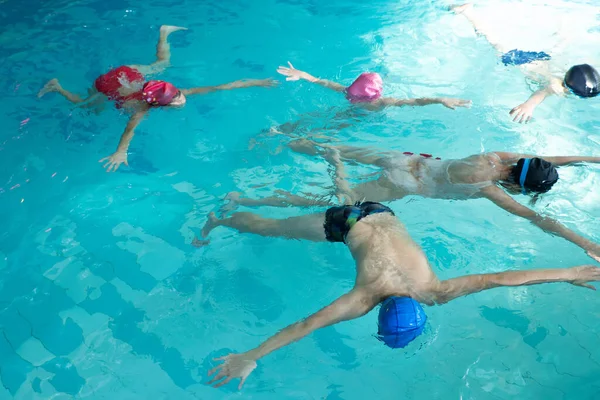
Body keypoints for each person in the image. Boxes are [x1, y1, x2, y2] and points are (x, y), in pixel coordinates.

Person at [202, 196, 600, 389]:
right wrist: (250, 356)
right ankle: (220, 219)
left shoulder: (433, 291)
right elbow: (306, 324)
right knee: (269, 227)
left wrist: (572, 271)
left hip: (379, 211)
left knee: (277, 226)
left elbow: (499, 277)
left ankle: (224, 218)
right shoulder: (368, 298)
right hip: (348, 223)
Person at [222, 138, 600, 259]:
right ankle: (246, 201)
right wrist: (584, 242)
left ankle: (279, 138)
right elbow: (535, 219)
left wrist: (588, 157)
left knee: (334, 149)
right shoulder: (487, 190)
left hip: (404, 158)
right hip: (397, 184)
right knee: (324, 201)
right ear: (519, 188)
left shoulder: (497, 157)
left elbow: (545, 158)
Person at [38, 25, 278, 172]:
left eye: (177, 95)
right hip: (108, 83)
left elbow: (221, 87)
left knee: (163, 63)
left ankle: (164, 32)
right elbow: (128, 132)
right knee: (89, 108)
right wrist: (121, 152)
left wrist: (255, 82)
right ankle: (57, 87)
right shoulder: (141, 110)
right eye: (174, 101)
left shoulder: (179, 93)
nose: (180, 99)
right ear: (155, 104)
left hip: (126, 73)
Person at [452, 3, 600, 123]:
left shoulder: (565, 78)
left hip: (543, 60)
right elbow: (541, 93)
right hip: (521, 61)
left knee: (560, 47)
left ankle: (564, 23)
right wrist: (528, 105)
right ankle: (468, 12)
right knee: (492, 40)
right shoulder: (556, 86)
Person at [277, 62, 472, 111]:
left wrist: (439, 99)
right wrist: (301, 74)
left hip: (366, 119)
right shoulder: (347, 91)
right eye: (351, 97)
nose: (352, 100)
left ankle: (386, 76)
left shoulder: (383, 102)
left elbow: (414, 101)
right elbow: (320, 81)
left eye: (355, 99)